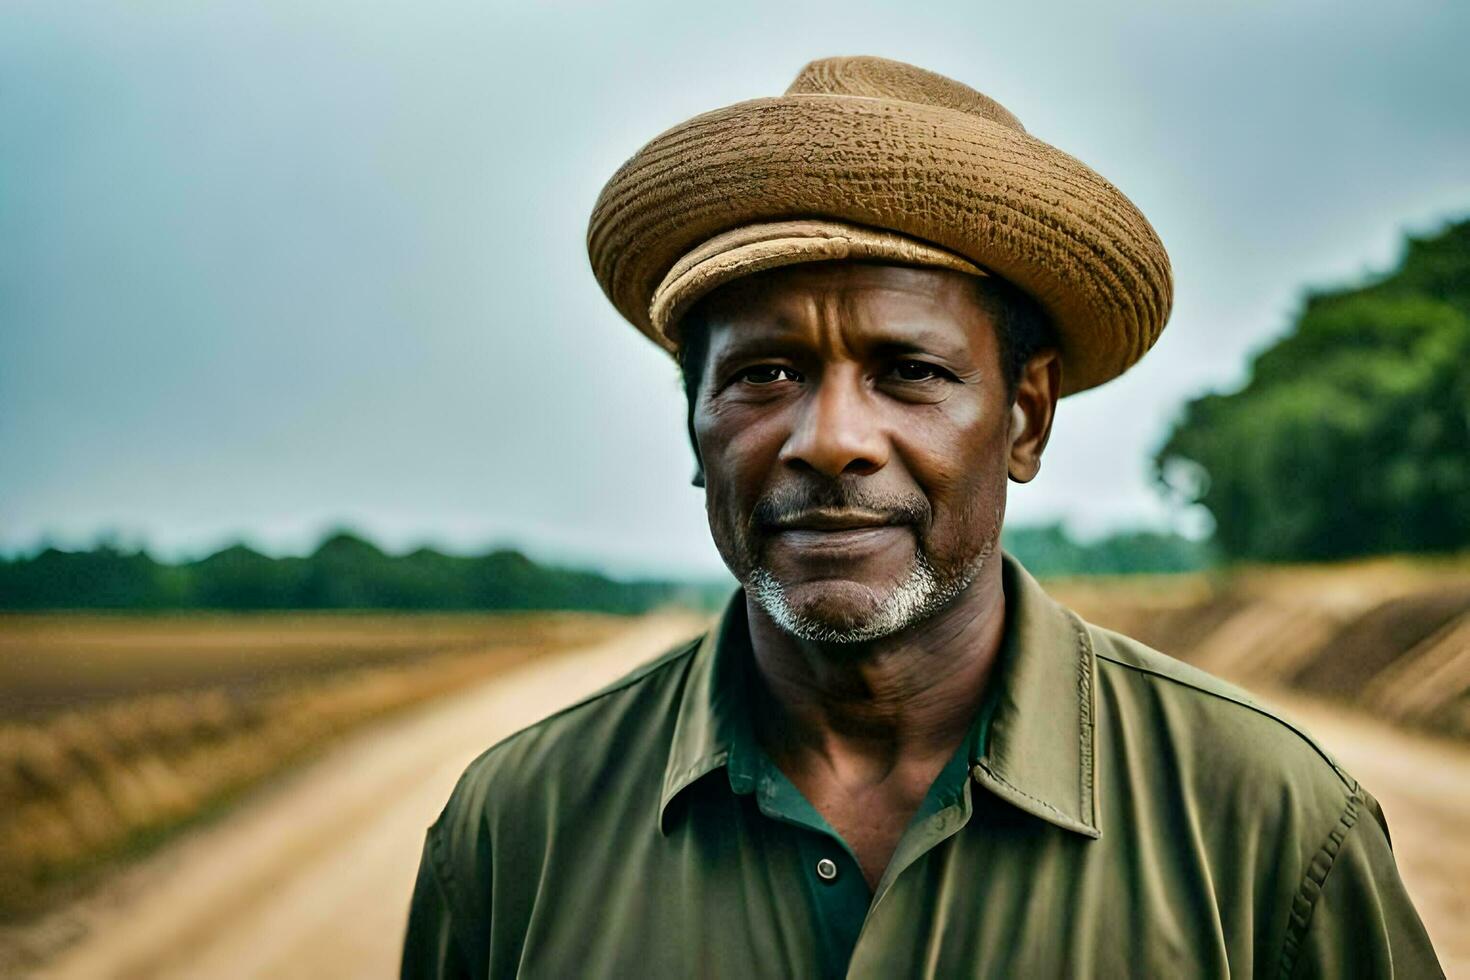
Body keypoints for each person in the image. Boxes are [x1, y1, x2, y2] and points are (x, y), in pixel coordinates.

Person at [401, 56, 1442, 978]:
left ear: (1025, 418)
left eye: (909, 371)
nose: (828, 438)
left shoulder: (1268, 824)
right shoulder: (513, 832)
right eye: (765, 372)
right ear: (695, 429)